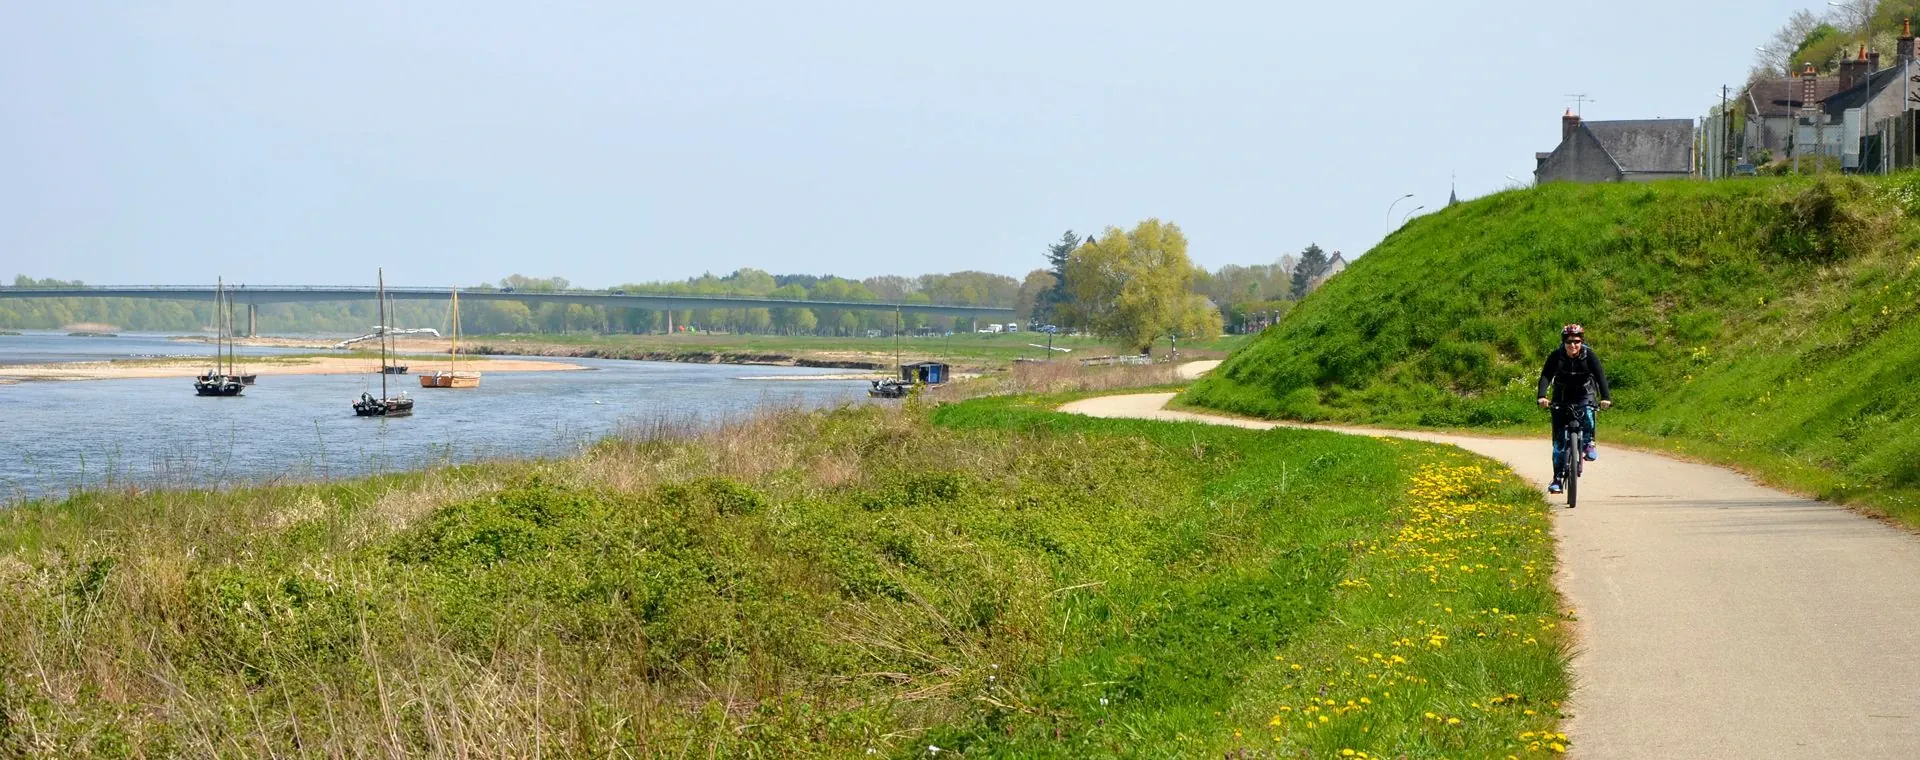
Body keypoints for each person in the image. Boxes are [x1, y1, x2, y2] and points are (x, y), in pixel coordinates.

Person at [1536, 323, 1612, 495]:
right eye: (1569, 342)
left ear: (1581, 342)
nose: (1573, 345)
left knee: (1588, 412)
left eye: (1577, 341)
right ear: (1564, 342)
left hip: (1584, 393)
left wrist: (1606, 398)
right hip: (1561, 396)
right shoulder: (1556, 356)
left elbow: (1600, 376)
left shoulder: (1588, 355)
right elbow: (1546, 376)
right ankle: (1557, 479)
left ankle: (1588, 443)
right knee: (1558, 443)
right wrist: (1541, 396)